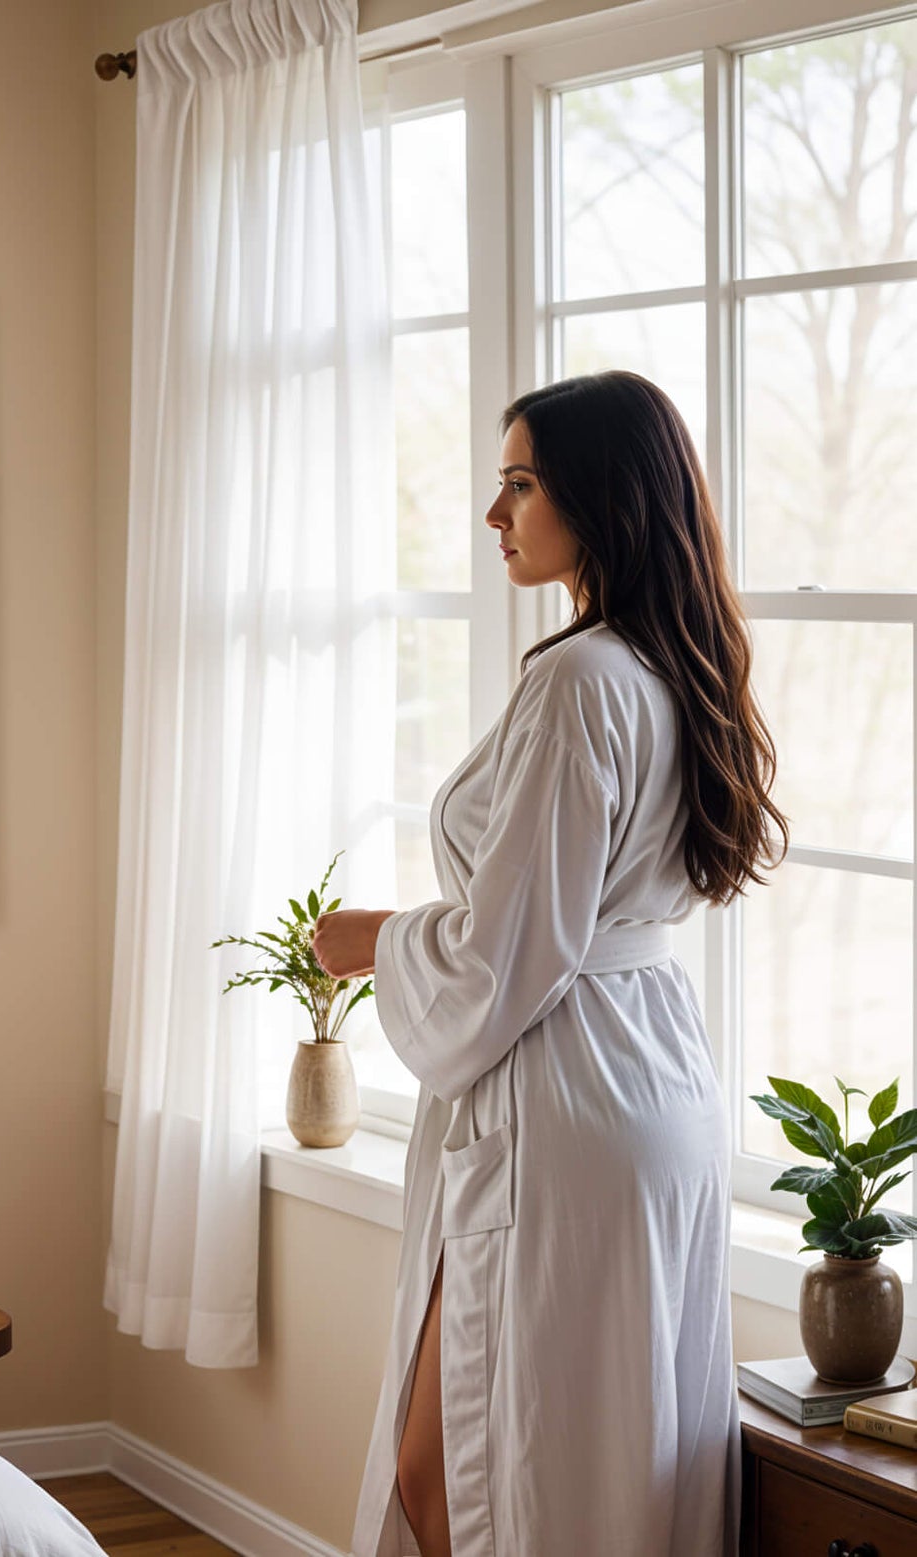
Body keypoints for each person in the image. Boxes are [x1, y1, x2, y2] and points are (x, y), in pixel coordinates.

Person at [314, 371, 787, 1557]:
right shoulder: (677, 666)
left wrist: (372, 941)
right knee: (599, 1458)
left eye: (518, 486)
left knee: (472, 1469)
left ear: (600, 497)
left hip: (560, 1104)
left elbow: (505, 960)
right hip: (652, 1083)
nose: (494, 519)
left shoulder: (577, 682)